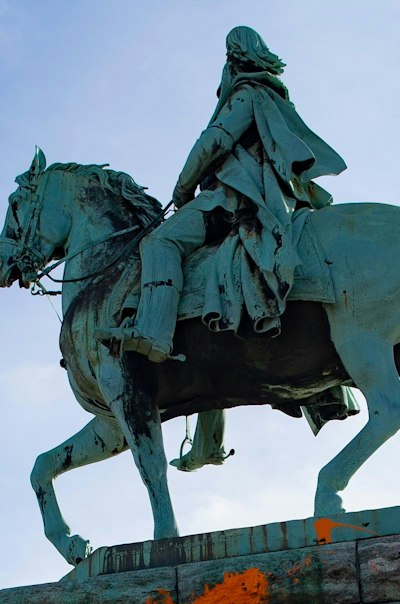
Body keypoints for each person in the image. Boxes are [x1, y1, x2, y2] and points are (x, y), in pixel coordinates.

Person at [108, 26, 347, 366]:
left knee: (159, 242)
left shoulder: (246, 94)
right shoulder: (273, 99)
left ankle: (153, 333)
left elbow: (213, 142)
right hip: (270, 198)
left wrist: (183, 187)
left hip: (232, 200)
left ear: (234, 60)